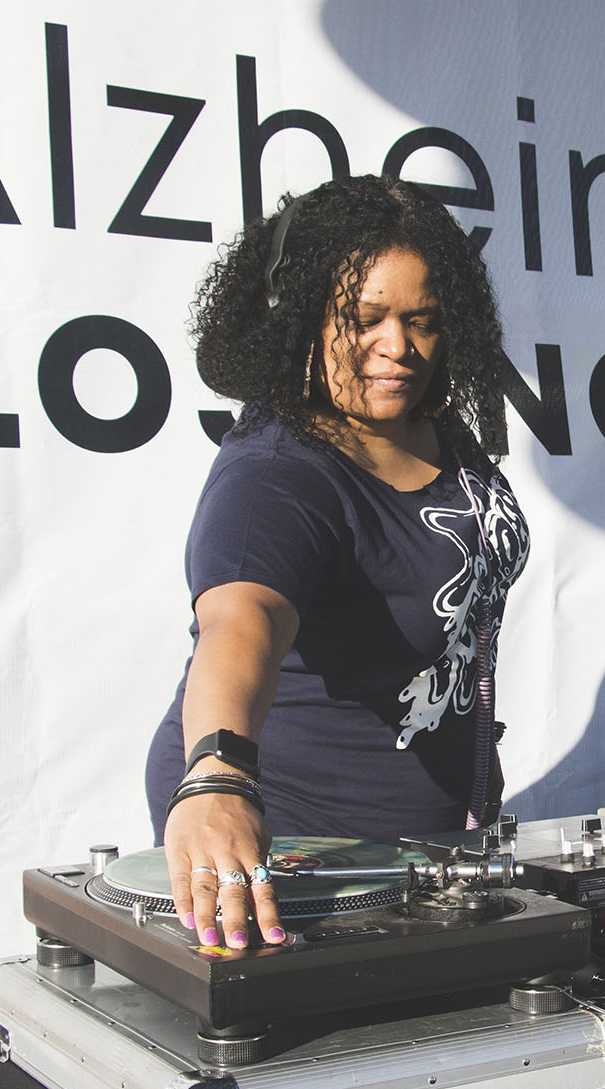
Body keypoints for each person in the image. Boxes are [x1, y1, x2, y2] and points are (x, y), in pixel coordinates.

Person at [144, 175, 529, 951]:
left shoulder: (432, 424)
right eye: (366, 319)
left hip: (435, 851)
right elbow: (239, 618)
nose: (399, 348)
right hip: (305, 852)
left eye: (423, 320)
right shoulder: (277, 471)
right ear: (301, 318)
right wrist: (218, 777)